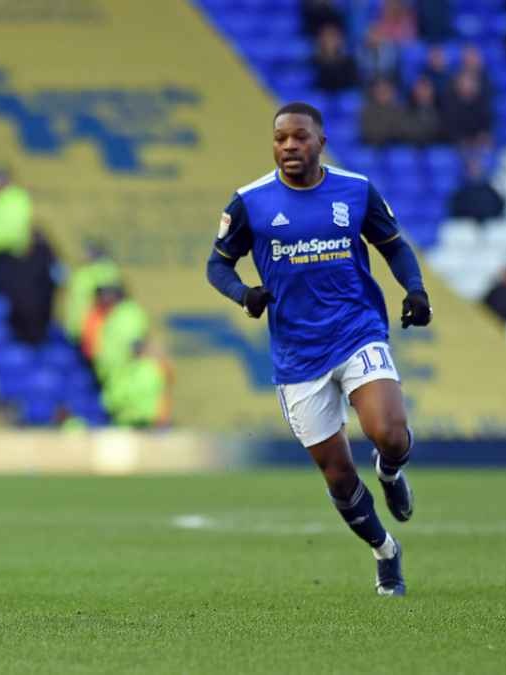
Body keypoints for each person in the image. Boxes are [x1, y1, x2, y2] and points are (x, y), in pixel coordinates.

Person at [206, 102, 432, 597]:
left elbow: (394, 244)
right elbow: (217, 266)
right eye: (281, 138)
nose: (289, 146)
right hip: (297, 356)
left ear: (320, 143)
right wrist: (244, 294)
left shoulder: (355, 191)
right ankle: (385, 550)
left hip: (357, 331)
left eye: (299, 137)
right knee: (338, 475)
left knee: (389, 433)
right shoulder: (251, 202)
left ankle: (391, 470)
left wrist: (414, 289)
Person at [448, 158, 505, 224]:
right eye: (471, 169)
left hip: (489, 225)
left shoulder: (491, 192)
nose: (474, 171)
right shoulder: (460, 193)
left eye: (477, 168)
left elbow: (499, 210)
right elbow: (455, 212)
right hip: (466, 226)